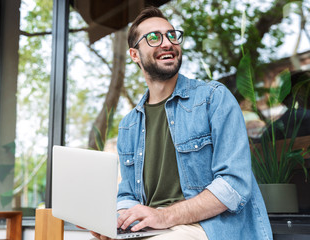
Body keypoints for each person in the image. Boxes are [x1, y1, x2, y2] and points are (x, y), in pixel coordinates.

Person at [91, 6, 272, 240]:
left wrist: (163, 216)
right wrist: (118, 220)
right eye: (154, 38)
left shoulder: (213, 98)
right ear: (135, 55)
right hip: (152, 229)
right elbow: (127, 195)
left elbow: (234, 185)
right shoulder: (129, 126)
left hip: (208, 228)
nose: (167, 43)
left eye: (171, 35)